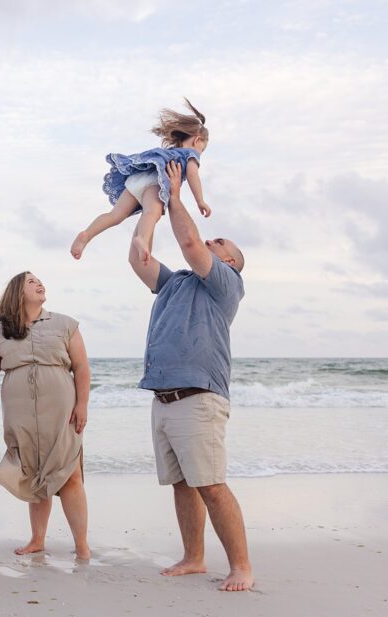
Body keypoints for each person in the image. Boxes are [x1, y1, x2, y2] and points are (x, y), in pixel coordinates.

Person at [128, 159, 253, 592]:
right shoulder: (175, 283)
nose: (211, 241)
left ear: (231, 262)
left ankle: (241, 567)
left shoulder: (225, 284)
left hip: (199, 397)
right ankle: (194, 558)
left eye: (221, 242)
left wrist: (178, 197)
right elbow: (137, 259)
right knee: (182, 484)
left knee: (212, 485)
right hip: (163, 397)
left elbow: (189, 242)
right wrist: (150, 210)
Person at [0, 272, 91, 560]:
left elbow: (82, 368)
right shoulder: (1, 332)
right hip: (19, 413)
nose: (39, 283)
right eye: (31, 281)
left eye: (40, 280)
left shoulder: (64, 324)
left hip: (61, 412)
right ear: (17, 292)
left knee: (70, 473)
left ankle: (81, 545)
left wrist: (82, 405)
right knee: (34, 475)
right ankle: (37, 539)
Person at [71, 98, 212, 262]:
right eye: (202, 150)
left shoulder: (171, 152)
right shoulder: (190, 155)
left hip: (137, 178)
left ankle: (87, 235)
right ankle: (142, 239)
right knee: (152, 212)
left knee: (115, 215)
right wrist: (200, 200)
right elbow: (193, 175)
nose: (200, 154)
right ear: (197, 141)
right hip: (156, 182)